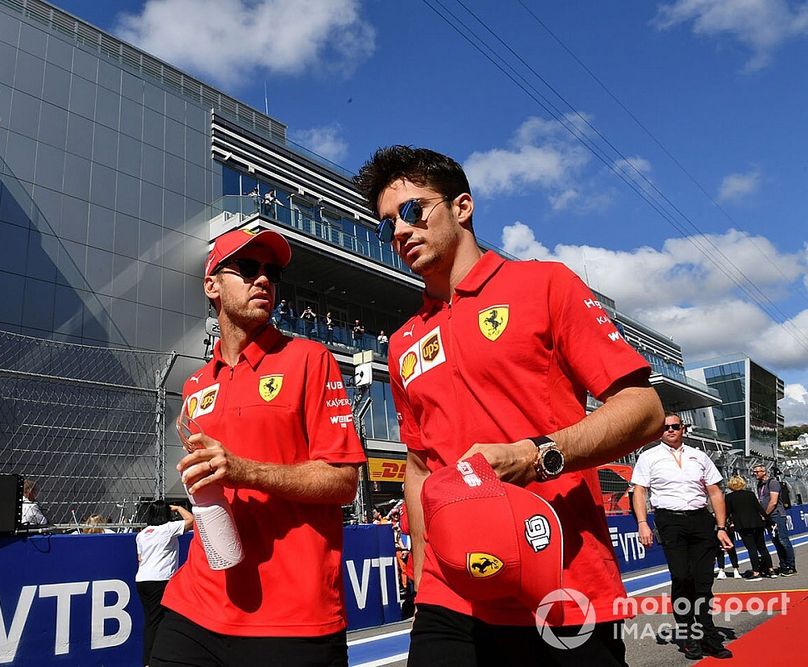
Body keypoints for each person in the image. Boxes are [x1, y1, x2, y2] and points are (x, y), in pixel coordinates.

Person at [356, 145, 664, 665]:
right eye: (389, 223)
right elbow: (417, 466)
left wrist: (536, 454)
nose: (400, 231)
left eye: (413, 210)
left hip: (562, 583)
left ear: (462, 207)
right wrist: (430, 569)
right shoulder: (403, 341)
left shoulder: (544, 283)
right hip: (450, 598)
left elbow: (645, 408)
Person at [152, 228, 365, 667]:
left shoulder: (310, 358)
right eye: (247, 269)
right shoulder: (196, 384)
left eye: (272, 273)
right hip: (198, 602)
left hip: (290, 616)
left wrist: (243, 471)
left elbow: (343, 481)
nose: (263, 280)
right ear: (211, 285)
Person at [632, 413, 733, 659]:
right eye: (665, 427)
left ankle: (708, 635)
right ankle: (688, 636)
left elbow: (715, 492)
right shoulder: (648, 457)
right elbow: (639, 491)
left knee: (703, 581)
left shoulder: (699, 456)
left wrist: (721, 527)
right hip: (670, 521)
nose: (670, 430)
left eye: (675, 426)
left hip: (700, 519)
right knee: (681, 577)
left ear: (683, 428)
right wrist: (643, 523)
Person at [136, 501, 194, 667]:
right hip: (160, 579)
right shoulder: (167, 528)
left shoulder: (142, 534)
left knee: (152, 620)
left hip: (142, 580)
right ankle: (152, 660)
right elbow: (191, 520)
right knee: (162, 621)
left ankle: (153, 658)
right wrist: (179, 508)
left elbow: (140, 558)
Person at [724, 475, 772, 581]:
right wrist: (768, 520)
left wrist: (724, 524)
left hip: (743, 525)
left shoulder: (729, 497)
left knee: (751, 548)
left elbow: (727, 512)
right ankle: (771, 569)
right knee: (762, 547)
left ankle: (756, 572)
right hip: (757, 523)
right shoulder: (750, 494)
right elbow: (759, 508)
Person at [753, 464, 797, 576]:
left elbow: (773, 501)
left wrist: (765, 514)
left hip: (776, 515)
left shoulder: (772, 483)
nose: (755, 474)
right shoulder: (759, 485)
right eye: (754, 471)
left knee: (783, 540)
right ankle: (783, 565)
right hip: (768, 517)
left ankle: (791, 566)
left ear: (764, 472)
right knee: (776, 541)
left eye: (757, 471)